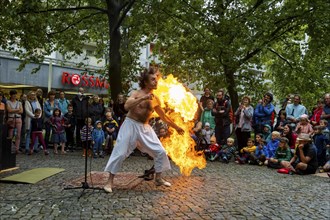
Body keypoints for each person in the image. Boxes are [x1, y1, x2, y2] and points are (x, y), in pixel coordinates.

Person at [103, 67, 184, 193]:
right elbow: (126, 106)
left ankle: (158, 178)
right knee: (120, 153)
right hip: (130, 125)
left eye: (156, 79)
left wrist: (177, 127)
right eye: (152, 79)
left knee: (160, 151)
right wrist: (143, 98)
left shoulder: (156, 99)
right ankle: (109, 182)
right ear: (145, 82)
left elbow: (164, 117)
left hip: (145, 127)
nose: (156, 82)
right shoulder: (137, 93)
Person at [6, 89, 23, 154]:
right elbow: (9, 110)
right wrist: (17, 110)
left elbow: (21, 111)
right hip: (11, 119)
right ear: (11, 95)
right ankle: (10, 148)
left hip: (18, 119)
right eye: (13, 95)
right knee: (10, 135)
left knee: (18, 135)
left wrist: (14, 110)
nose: (14, 96)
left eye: (15, 95)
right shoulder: (8, 102)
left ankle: (17, 149)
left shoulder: (19, 103)